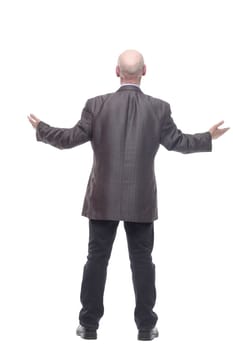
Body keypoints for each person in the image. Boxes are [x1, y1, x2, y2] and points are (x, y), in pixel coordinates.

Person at [28, 49, 229, 341]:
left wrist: (42, 129)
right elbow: (178, 142)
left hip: (102, 198)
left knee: (96, 259)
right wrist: (207, 137)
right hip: (141, 201)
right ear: (145, 71)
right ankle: (146, 327)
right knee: (142, 261)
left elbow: (70, 139)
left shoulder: (96, 105)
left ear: (116, 71)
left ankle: (89, 326)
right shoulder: (159, 108)